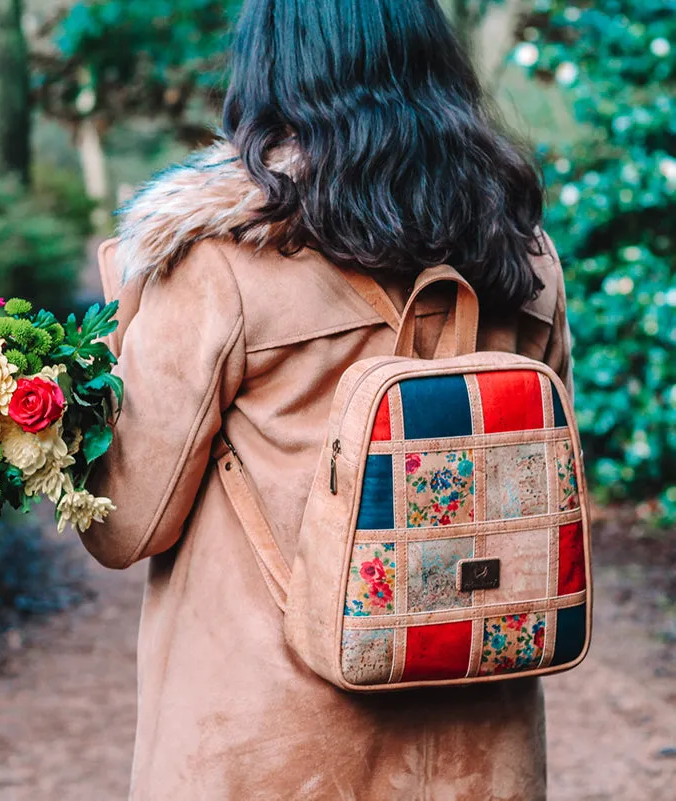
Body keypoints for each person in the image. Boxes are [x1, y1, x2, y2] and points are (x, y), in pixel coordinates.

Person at [82, 0, 573, 798]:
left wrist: (70, 403)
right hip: (479, 730)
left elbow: (129, 520)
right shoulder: (523, 252)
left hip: (270, 744)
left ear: (269, 68)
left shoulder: (220, 259)